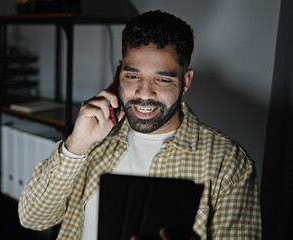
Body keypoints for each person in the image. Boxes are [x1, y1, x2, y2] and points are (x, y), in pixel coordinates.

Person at [18, 10, 262, 240]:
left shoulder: (229, 162)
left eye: (163, 79)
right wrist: (76, 146)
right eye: (132, 76)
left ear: (185, 82)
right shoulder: (93, 138)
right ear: (118, 74)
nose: (144, 93)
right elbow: (33, 219)